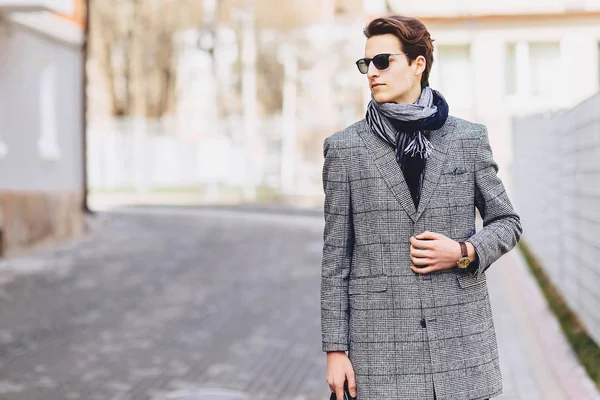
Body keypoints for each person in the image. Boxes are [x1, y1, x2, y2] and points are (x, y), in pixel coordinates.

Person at [320, 15, 522, 400]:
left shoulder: (467, 138)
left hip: (461, 347)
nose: (372, 73)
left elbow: (507, 221)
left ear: (418, 64)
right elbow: (336, 260)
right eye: (367, 64)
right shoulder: (345, 149)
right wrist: (335, 350)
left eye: (383, 61)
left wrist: (464, 251)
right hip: (379, 353)